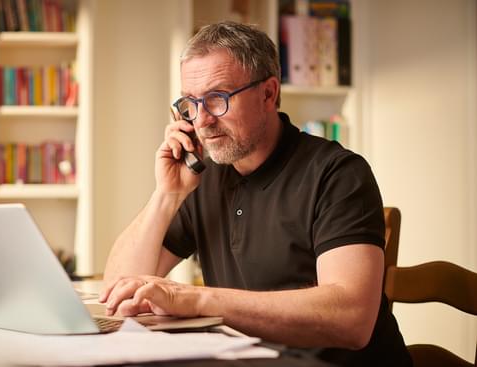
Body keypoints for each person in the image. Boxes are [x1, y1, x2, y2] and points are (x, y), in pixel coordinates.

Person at [99, 21, 411, 366]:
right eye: (191, 103)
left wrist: (196, 300)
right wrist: (166, 195)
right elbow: (115, 292)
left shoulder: (337, 173)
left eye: (217, 99)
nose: (201, 120)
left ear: (268, 94)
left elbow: (352, 319)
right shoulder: (201, 177)